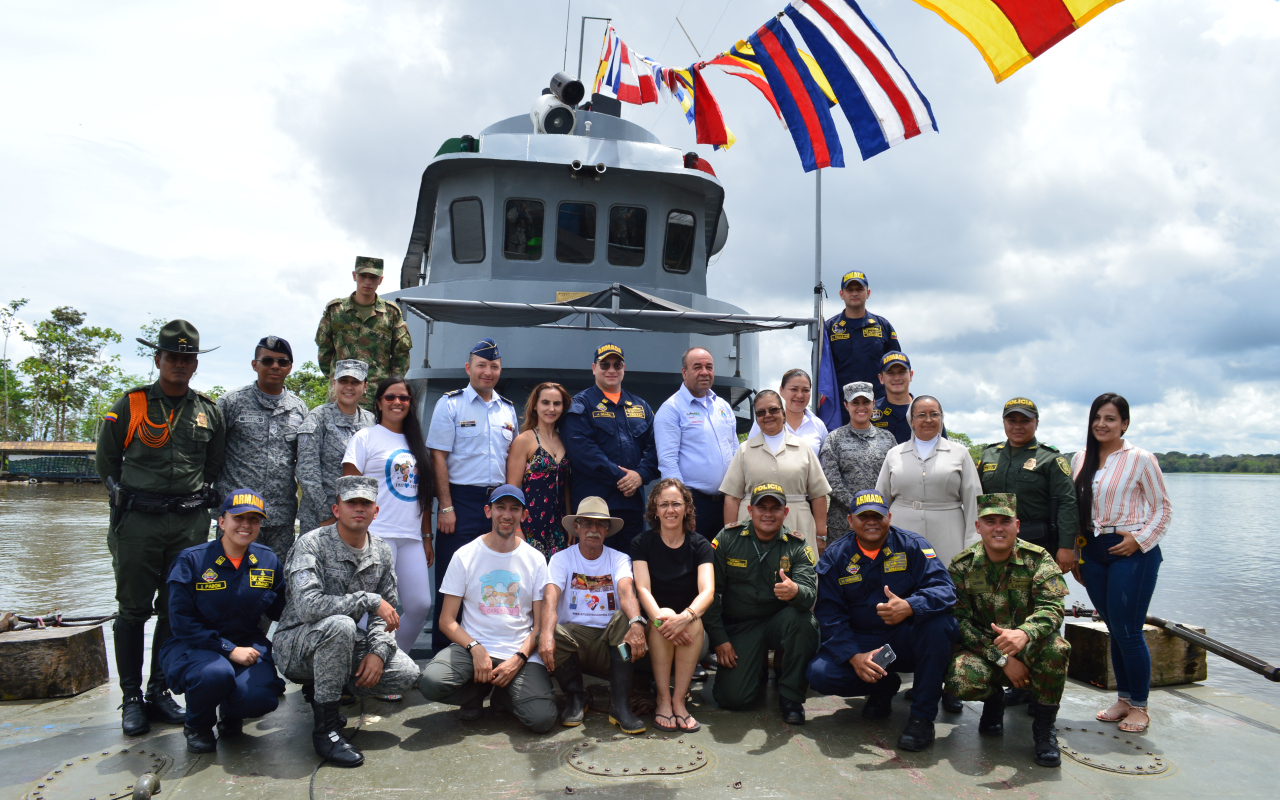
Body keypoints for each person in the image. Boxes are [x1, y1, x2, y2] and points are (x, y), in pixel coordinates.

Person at [95, 319, 225, 736]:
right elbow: (106, 463)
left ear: (195, 365)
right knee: (132, 610)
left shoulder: (208, 411)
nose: (179, 364)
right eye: (172, 357)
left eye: (187, 359)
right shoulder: (130, 405)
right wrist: (125, 499)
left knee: (174, 608)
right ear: (158, 359)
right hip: (138, 524)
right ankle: (131, 697)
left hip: (187, 525)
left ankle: (159, 691)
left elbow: (213, 466)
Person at [274, 476, 422, 767]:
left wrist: (377, 653)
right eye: (351, 502)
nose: (359, 508)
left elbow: (386, 612)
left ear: (375, 511)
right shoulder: (311, 544)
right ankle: (326, 730)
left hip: (340, 644)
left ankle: (323, 689)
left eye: (365, 503)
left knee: (405, 674)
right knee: (341, 625)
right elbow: (308, 607)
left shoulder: (381, 551)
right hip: (297, 645)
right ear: (336, 509)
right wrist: (368, 600)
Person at [807, 490, 958, 752]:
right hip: (862, 641)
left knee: (940, 625)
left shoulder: (912, 545)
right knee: (820, 674)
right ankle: (884, 684)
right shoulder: (836, 555)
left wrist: (910, 606)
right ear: (850, 520)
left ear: (889, 517)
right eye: (863, 516)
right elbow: (830, 615)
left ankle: (922, 718)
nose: (871, 522)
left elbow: (945, 590)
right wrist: (854, 656)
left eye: (877, 516)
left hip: (904, 639)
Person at [1070, 393, 1172, 734]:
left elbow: (1162, 508)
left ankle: (1140, 706)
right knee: (1114, 627)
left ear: (1124, 424)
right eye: (1097, 417)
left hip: (1131, 550)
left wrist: (1139, 539)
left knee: (1128, 630)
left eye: (1110, 418)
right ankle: (1124, 700)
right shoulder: (1080, 458)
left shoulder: (1141, 459)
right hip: (1092, 550)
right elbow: (1075, 511)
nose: (1102, 424)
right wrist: (1077, 554)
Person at [945, 493, 1071, 768]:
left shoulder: (1038, 559)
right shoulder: (963, 565)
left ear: (1017, 525)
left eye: (1005, 521)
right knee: (959, 679)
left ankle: (1044, 729)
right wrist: (1002, 659)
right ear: (978, 527)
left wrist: (1025, 633)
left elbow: (1053, 608)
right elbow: (958, 621)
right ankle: (994, 700)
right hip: (986, 649)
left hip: (1029, 645)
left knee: (1057, 649)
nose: (998, 528)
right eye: (990, 521)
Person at [418, 485, 557, 733]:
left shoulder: (535, 559)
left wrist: (519, 659)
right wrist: (475, 647)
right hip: (473, 649)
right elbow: (446, 621)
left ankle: (503, 694)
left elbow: (539, 625)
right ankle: (477, 691)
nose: (507, 515)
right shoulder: (465, 555)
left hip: (518, 651)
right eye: (500, 507)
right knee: (431, 682)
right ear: (488, 511)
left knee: (542, 719)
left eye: (514, 509)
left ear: (524, 515)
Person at [160, 489, 286, 753]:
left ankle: (231, 713)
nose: (246, 525)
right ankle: (198, 725)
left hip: (246, 641)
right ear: (221, 522)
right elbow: (181, 623)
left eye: (254, 519)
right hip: (192, 645)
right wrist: (229, 650)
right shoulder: (192, 560)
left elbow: (283, 612)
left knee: (261, 698)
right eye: (238, 518)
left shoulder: (267, 560)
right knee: (215, 673)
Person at [427, 338, 518, 651]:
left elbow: (513, 459)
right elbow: (438, 457)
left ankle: (489, 648)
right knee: (452, 576)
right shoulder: (450, 404)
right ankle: (444, 654)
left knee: (492, 575)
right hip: (461, 501)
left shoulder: (508, 409)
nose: (487, 372)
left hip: (498, 503)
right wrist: (446, 507)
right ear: (469, 368)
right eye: (481, 365)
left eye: (494, 366)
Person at [704, 483, 819, 725]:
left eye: (775, 508)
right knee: (732, 699)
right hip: (740, 626)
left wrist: (795, 591)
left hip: (778, 623)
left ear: (785, 512)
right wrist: (719, 639)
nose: (768, 514)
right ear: (750, 510)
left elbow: (810, 594)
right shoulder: (728, 538)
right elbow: (710, 593)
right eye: (761, 507)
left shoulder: (796, 545)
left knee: (805, 622)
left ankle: (791, 698)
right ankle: (755, 670)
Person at [343, 377, 435, 660]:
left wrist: (427, 537)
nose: (397, 402)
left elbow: (424, 496)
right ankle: (362, 663)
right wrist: (353, 533)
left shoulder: (416, 443)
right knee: (372, 609)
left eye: (404, 398)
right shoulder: (365, 437)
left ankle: (392, 663)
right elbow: (348, 488)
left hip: (411, 537)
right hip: (376, 534)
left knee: (419, 606)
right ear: (379, 402)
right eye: (390, 397)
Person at [539, 497, 648, 732]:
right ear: (576, 527)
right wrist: (545, 635)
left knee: (626, 618)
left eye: (600, 524)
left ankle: (620, 705)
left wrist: (637, 623)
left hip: (609, 645)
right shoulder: (561, 559)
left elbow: (626, 591)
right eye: (587, 523)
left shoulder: (619, 558)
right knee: (547, 629)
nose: (593, 529)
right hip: (573, 643)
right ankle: (576, 696)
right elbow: (550, 597)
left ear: (607, 530)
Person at [631, 478, 715, 733]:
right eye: (664, 504)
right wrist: (663, 622)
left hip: (692, 635)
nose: (670, 510)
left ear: (686, 508)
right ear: (655, 510)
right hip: (654, 631)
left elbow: (708, 591)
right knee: (665, 613)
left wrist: (685, 617)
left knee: (694, 619)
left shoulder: (700, 545)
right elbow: (642, 589)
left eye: (676, 504)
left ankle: (679, 700)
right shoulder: (641, 543)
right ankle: (663, 699)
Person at [215, 335, 308, 565]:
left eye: (282, 362)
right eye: (267, 361)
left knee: (275, 578)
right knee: (230, 576)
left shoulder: (298, 408)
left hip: (281, 517)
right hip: (238, 515)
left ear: (290, 367)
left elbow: (303, 460)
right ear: (254, 364)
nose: (275, 366)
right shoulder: (231, 402)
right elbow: (212, 454)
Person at [562, 342, 659, 553]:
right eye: (605, 365)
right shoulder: (580, 405)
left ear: (624, 368)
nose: (611, 370)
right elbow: (583, 452)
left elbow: (655, 449)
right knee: (592, 566)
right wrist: (623, 478)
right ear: (594, 368)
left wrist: (641, 475)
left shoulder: (641, 407)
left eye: (617, 365)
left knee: (629, 565)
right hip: (593, 508)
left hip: (631, 508)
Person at [976, 398, 1078, 575]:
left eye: (1025, 421)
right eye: (1011, 421)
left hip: (1037, 543)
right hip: (994, 542)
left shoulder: (1050, 458)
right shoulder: (989, 455)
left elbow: (1067, 503)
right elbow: (975, 498)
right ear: (1004, 422)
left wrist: (1066, 546)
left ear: (1036, 423)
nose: (1018, 426)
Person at [722, 391, 831, 553]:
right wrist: (730, 536)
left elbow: (818, 494)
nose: (768, 415)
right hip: (752, 527)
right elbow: (732, 497)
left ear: (783, 413)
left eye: (773, 410)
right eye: (761, 412)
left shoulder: (804, 448)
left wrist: (821, 534)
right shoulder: (744, 450)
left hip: (797, 523)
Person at [875, 395, 979, 565]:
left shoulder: (960, 453)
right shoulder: (894, 454)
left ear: (942, 418)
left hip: (949, 534)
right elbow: (881, 501)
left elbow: (973, 504)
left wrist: (973, 544)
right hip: (902, 532)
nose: (928, 420)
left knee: (948, 577)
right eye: (921, 415)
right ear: (911, 421)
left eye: (934, 414)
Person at [655, 346, 740, 540]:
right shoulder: (671, 409)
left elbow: (735, 453)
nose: (704, 372)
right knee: (693, 557)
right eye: (697, 367)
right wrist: (683, 506)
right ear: (684, 372)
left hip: (728, 503)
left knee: (725, 558)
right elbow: (668, 463)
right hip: (695, 505)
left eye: (709, 367)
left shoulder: (723, 406)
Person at [315, 256, 412, 410]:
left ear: (380, 280)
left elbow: (401, 356)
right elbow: (324, 353)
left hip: (376, 397)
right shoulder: (336, 311)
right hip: (340, 397)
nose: (368, 281)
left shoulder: (391, 313)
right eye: (363, 276)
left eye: (373, 277)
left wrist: (388, 387)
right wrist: (340, 379)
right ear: (354, 276)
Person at [296, 359, 376, 535]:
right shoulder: (318, 417)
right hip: (319, 519)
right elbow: (307, 471)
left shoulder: (371, 421)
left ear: (365, 386)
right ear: (334, 383)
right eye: (343, 381)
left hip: (357, 518)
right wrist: (326, 514)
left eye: (355, 382)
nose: (349, 387)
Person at [820, 381, 897, 544]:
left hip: (879, 522)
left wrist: (876, 509)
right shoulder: (834, 439)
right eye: (855, 402)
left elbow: (896, 479)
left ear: (873, 404)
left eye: (866, 402)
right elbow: (830, 481)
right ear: (846, 405)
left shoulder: (888, 439)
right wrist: (859, 507)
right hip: (843, 525)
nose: (861, 407)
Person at [506, 381, 573, 558]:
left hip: (559, 526)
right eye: (545, 402)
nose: (551, 408)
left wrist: (570, 524)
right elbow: (512, 489)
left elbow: (566, 487)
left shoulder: (566, 440)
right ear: (535, 405)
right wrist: (516, 528)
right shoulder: (524, 440)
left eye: (557, 403)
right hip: (530, 524)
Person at [824, 270, 901, 422]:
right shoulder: (829, 328)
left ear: (868, 293)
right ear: (841, 294)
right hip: (840, 410)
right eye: (849, 290)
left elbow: (897, 368)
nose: (854, 293)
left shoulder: (883, 326)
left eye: (859, 289)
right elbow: (821, 371)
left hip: (878, 408)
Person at [748, 369, 828, 455]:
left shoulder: (818, 425)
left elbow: (825, 460)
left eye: (805, 390)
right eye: (794, 389)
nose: (800, 395)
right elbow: (750, 454)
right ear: (781, 390)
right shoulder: (765, 421)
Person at [871, 352, 945, 444]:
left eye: (902, 372)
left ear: (911, 375)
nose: (897, 378)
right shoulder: (871, 412)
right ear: (881, 378)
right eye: (890, 373)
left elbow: (943, 445)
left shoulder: (928, 410)